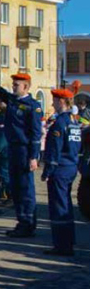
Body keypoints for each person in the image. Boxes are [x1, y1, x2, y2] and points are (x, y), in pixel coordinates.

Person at [0, 56, 43, 237]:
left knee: (25, 188)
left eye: (17, 85)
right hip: (13, 148)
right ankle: (22, 222)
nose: (13, 87)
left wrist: (34, 156)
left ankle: (28, 223)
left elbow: (36, 134)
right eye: (13, 84)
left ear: (26, 87)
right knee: (15, 188)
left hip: (24, 149)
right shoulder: (12, 100)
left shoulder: (33, 107)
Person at [41, 88, 82, 256]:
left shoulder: (60, 124)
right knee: (66, 206)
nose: (52, 103)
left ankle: (61, 245)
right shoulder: (73, 123)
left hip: (60, 169)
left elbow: (54, 150)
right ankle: (68, 241)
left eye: (55, 100)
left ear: (62, 102)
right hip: (71, 166)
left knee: (59, 208)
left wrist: (47, 171)